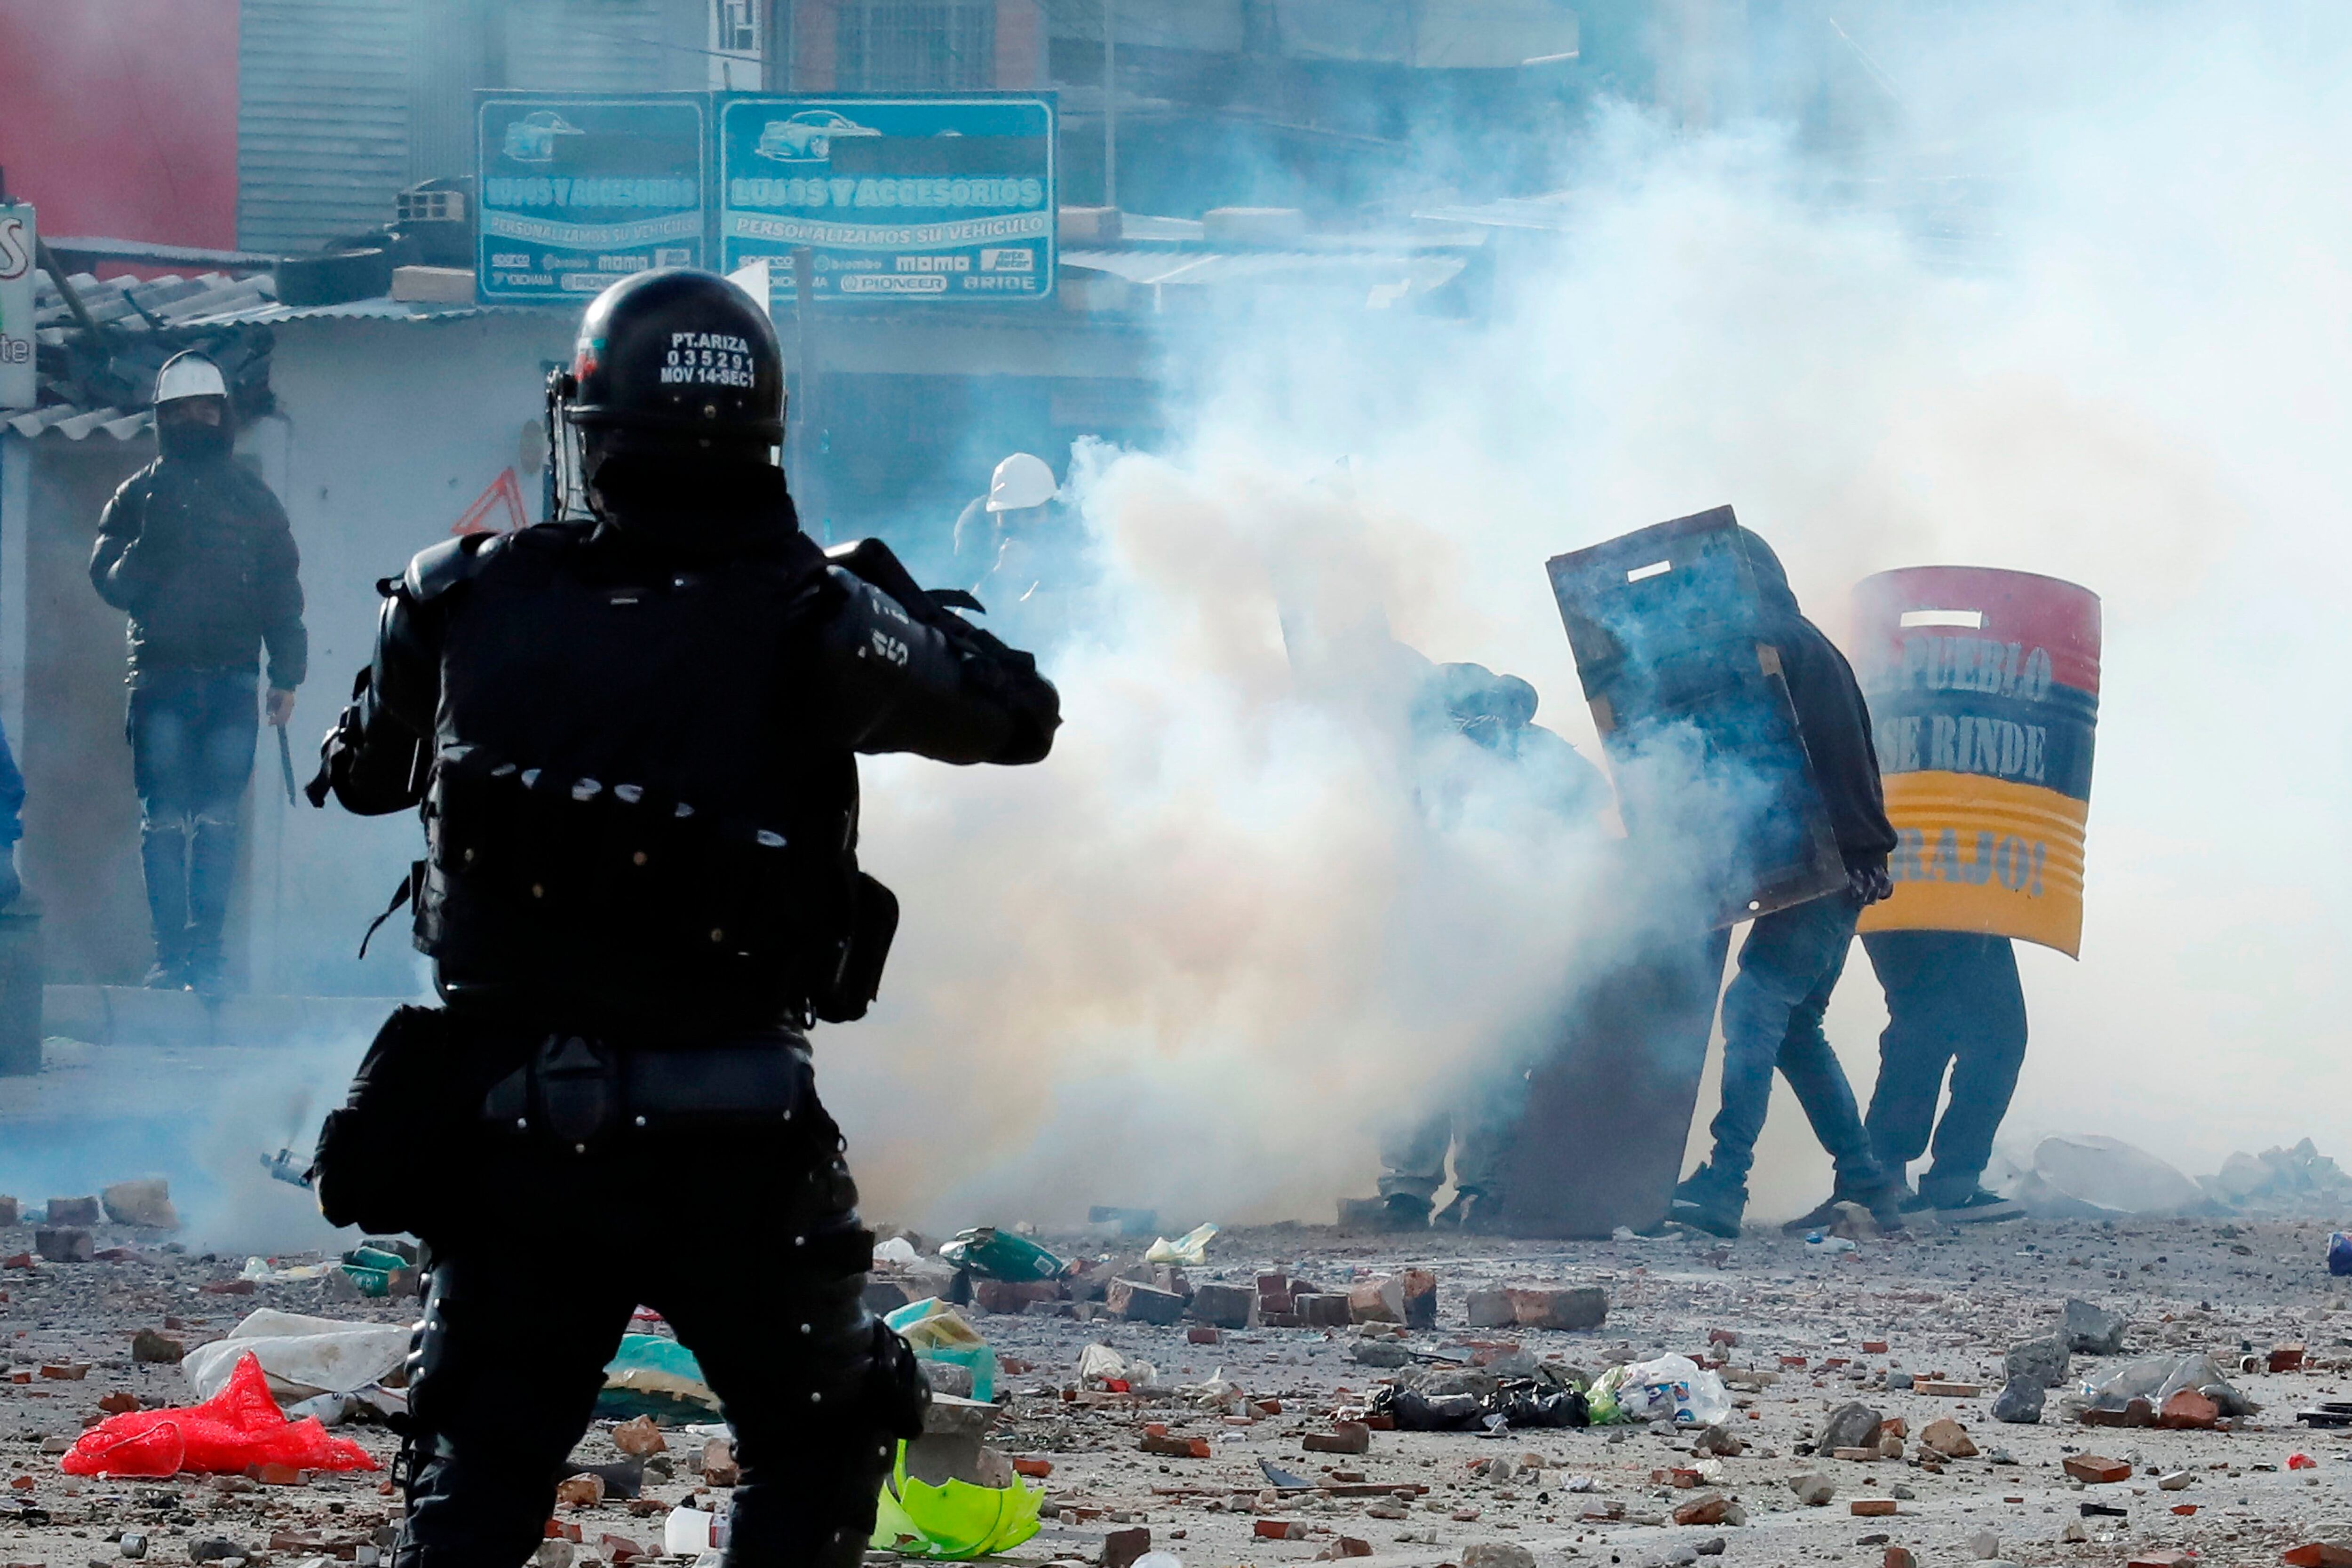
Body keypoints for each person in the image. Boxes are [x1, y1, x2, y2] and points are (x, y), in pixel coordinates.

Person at [306, 268, 1059, 1568]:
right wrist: (877, 602)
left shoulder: (458, 594)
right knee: (820, 1445)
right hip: (738, 1135)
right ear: (759, 434)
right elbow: (1017, 713)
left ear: (589, 432)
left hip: (515, 1130)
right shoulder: (814, 617)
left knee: (476, 1482)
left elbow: (364, 772)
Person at [1669, 529, 1902, 1239]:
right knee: (1795, 1025)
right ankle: (1864, 1179)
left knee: (1755, 1007)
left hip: (1830, 860)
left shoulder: (1771, 644)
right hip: (1846, 863)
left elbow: (1784, 760)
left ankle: (1725, 1182)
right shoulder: (1802, 639)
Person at [89, 350, 306, 992]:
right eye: (179, 410)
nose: (194, 419)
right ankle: (170, 959)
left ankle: (206, 960)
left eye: (205, 408)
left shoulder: (254, 499)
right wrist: (149, 548)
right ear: (161, 419)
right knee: (163, 822)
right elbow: (111, 584)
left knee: (217, 821)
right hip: (158, 682)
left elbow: (282, 590)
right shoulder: (136, 497)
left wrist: (286, 675)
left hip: (235, 682)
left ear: (224, 415)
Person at [1375, 662, 1609, 1231]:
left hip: (1493, 927)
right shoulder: (1441, 756)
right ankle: (1424, 1191)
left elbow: (1586, 797)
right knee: (1433, 1056)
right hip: (1447, 924)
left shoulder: (1516, 750)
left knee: (1475, 1056)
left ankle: (1462, 1190)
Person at [1859, 930, 2028, 1222]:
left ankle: (1947, 1180)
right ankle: (1886, 1177)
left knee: (1995, 1029)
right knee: (1926, 1018)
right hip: (1907, 892)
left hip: (1979, 894)